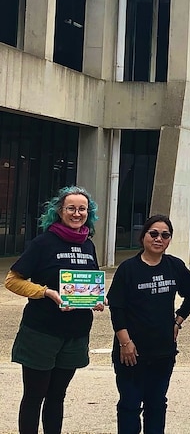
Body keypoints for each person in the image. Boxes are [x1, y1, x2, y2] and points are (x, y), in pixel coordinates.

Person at [4, 186, 105, 434]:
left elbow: (89, 284)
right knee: (34, 396)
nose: (77, 213)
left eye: (82, 209)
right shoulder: (43, 243)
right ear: (59, 211)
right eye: (71, 208)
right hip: (41, 332)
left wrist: (95, 299)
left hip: (76, 332)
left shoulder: (88, 245)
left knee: (57, 396)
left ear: (88, 213)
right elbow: (12, 280)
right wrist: (46, 293)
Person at [107, 214, 190, 434]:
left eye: (165, 235)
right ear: (143, 237)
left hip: (162, 351)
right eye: (154, 234)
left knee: (156, 405)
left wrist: (179, 320)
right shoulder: (128, 269)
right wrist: (125, 343)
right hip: (131, 351)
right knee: (130, 405)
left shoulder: (174, 266)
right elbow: (117, 307)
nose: (159, 239)